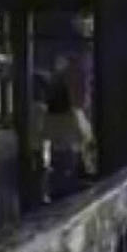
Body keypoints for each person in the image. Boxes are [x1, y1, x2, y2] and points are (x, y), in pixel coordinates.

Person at [40, 71, 95, 199]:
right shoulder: (74, 113)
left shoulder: (49, 115)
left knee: (59, 187)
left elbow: (45, 135)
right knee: (72, 189)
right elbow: (86, 135)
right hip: (72, 153)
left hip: (56, 154)